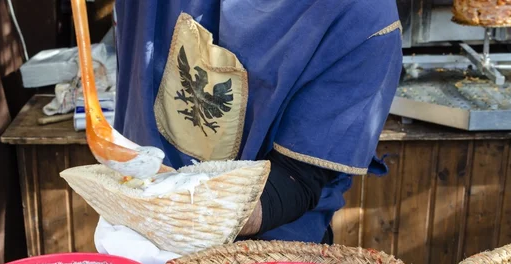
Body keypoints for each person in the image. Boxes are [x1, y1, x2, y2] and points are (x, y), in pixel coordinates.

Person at [102, 0, 402, 245]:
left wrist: (180, 217)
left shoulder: (362, 18)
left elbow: (296, 177)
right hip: (133, 225)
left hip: (268, 252)